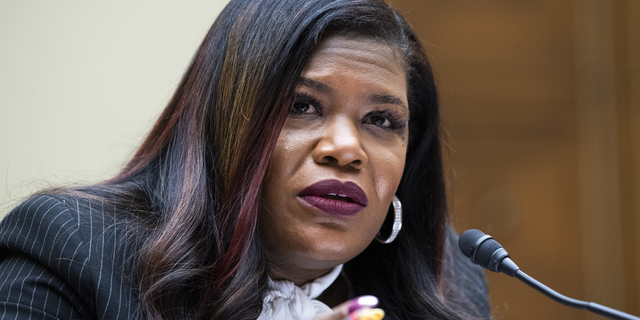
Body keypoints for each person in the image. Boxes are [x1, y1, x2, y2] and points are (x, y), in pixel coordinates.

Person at [0, 0, 491, 319]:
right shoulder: (72, 251)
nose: (346, 149)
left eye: (382, 120)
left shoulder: (451, 290)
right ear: (222, 125)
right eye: (301, 105)